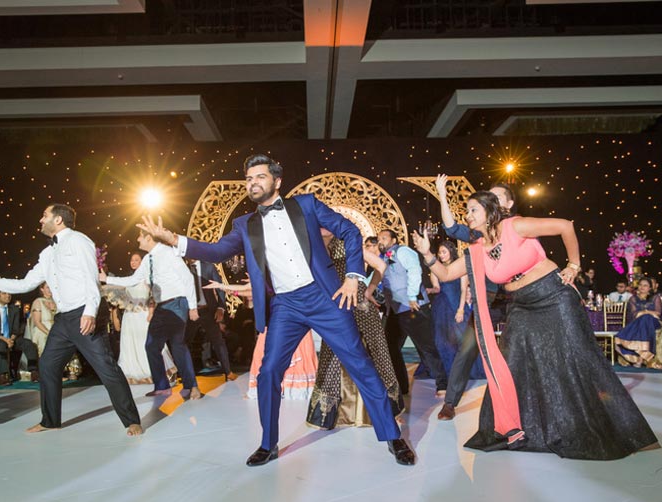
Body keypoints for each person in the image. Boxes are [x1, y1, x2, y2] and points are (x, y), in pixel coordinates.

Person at [139, 153, 414, 466]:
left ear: (276, 181)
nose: (253, 182)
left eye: (260, 177)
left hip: (323, 297)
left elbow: (350, 231)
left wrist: (353, 276)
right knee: (268, 371)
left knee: (361, 365)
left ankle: (393, 437)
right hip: (286, 305)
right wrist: (173, 239)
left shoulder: (306, 205)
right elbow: (215, 252)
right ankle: (268, 444)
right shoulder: (245, 224)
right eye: (249, 178)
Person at [414, 190, 658, 459]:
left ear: (489, 211)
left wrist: (574, 265)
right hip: (521, 305)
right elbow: (447, 273)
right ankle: (522, 430)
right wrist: (427, 255)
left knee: (576, 358)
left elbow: (566, 226)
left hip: (553, 296)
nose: (468, 215)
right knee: (514, 362)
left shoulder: (514, 226)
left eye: (473, 210)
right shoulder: (476, 251)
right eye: (467, 211)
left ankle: (605, 427)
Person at [0, 203, 142, 436]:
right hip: (64, 319)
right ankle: (50, 420)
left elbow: (91, 278)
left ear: (58, 220)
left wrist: (90, 311)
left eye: (44, 215)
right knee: (48, 365)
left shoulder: (79, 241)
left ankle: (132, 421)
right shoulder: (47, 253)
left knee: (106, 368)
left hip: (84, 313)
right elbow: (26, 283)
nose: (40, 220)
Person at [307, 229, 404, 429]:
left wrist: (369, 290)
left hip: (360, 306)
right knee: (332, 355)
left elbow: (380, 265)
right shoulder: (313, 246)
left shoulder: (346, 244)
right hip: (335, 308)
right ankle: (329, 416)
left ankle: (386, 412)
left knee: (374, 354)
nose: (323, 226)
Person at [435, 175, 509, 420]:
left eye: (497, 198)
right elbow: (451, 228)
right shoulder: (479, 236)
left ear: (506, 206)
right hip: (486, 302)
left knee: (519, 350)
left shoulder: (518, 230)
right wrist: (442, 195)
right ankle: (450, 403)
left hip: (519, 300)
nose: (492, 201)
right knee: (466, 349)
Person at [101, 232, 200, 399]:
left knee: (177, 345)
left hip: (177, 303)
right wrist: (107, 279)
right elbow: (133, 280)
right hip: (161, 306)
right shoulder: (148, 259)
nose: (137, 239)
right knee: (151, 345)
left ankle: (192, 387)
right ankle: (162, 386)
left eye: (140, 237)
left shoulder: (169, 253)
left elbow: (188, 278)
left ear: (149, 238)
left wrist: (192, 307)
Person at [378, 228, 448, 396]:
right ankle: (400, 387)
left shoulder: (402, 251)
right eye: (378, 238)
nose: (381, 241)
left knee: (426, 347)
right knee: (390, 348)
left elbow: (415, 269)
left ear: (394, 240)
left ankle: (443, 384)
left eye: (384, 238)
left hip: (412, 306)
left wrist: (411, 296)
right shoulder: (381, 259)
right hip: (395, 309)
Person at [102, 253, 176, 385]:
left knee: (147, 343)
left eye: (136, 260)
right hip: (130, 316)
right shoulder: (129, 279)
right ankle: (132, 372)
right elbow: (117, 287)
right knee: (130, 345)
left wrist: (151, 313)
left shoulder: (147, 278)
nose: (133, 262)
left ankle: (155, 371)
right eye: (132, 260)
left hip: (144, 315)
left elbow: (153, 296)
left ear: (142, 262)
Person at [428, 240, 484, 387]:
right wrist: (430, 290)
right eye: (440, 253)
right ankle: (448, 373)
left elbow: (464, 290)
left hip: (457, 306)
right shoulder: (436, 268)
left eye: (444, 252)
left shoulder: (459, 267)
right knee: (442, 341)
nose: (441, 255)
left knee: (462, 341)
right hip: (441, 306)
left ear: (451, 252)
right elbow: (436, 287)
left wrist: (460, 309)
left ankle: (466, 371)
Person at [185, 259, 237, 381]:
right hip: (190, 311)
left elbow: (219, 288)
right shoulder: (182, 267)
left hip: (208, 311)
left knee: (218, 341)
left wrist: (220, 307)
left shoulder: (208, 267)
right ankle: (186, 374)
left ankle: (228, 371)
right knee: (184, 342)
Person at [0, 290, 39, 385]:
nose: (8, 296)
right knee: (1, 345)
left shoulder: (14, 309)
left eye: (9, 293)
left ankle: (34, 372)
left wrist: (11, 339)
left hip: (11, 338)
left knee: (28, 344)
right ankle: (3, 376)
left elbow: (16, 329)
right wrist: (5, 339)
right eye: (4, 293)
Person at [614, 278, 662, 368]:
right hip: (638, 323)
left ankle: (641, 358)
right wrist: (648, 312)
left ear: (650, 288)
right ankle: (641, 358)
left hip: (654, 323)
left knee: (646, 318)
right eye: (640, 285)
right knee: (644, 319)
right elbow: (634, 314)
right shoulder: (633, 299)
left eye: (645, 285)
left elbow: (658, 314)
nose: (642, 287)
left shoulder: (655, 298)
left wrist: (644, 312)